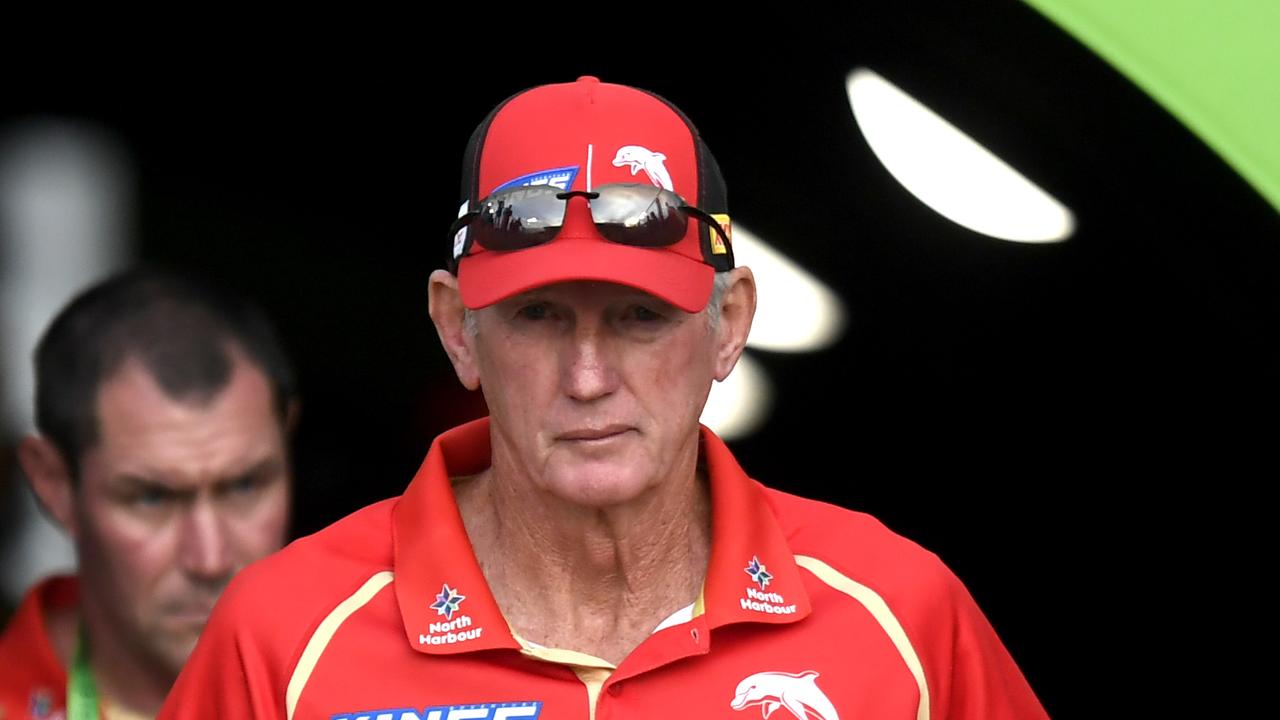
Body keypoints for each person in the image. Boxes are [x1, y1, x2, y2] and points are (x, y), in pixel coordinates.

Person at [159, 77, 1048, 720]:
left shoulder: (899, 613)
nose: (588, 377)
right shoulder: (283, 638)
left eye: (640, 317)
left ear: (728, 323)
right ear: (456, 329)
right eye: (539, 316)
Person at [0, 269, 297, 720]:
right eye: (152, 498)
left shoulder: (379, 693)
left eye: (244, 486)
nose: (210, 558)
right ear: (54, 484)